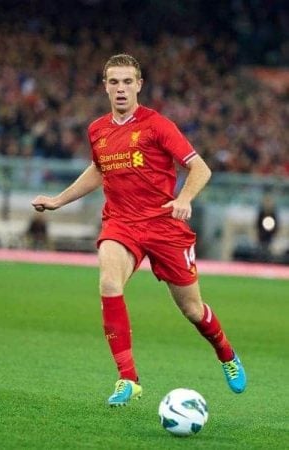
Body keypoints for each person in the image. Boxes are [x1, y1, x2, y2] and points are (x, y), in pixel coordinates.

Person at [32, 54, 246, 406]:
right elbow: (99, 171)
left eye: (127, 81)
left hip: (164, 225)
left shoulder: (157, 125)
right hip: (121, 223)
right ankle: (128, 379)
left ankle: (226, 354)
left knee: (193, 310)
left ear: (139, 85)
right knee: (109, 283)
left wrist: (184, 198)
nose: (120, 88)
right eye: (114, 82)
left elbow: (200, 169)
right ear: (105, 86)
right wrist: (59, 200)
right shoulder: (97, 129)